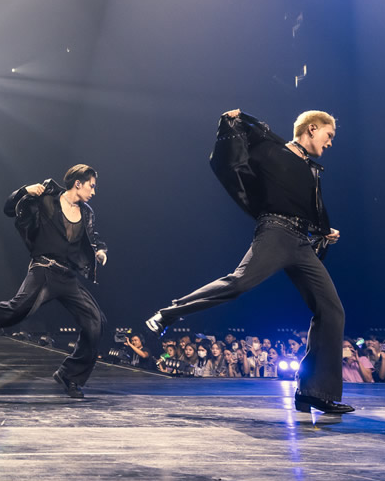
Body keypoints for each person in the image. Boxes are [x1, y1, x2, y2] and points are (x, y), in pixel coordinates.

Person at [145, 109, 350, 415]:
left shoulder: (311, 169)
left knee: (332, 311)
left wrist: (323, 231)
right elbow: (232, 159)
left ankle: (314, 392)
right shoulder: (272, 151)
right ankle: (168, 314)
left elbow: (304, 208)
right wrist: (234, 123)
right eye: (329, 135)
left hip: (301, 242)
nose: (330, 142)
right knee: (239, 283)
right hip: (275, 232)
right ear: (311, 128)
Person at [0, 165, 109, 400]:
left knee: (96, 322)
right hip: (44, 269)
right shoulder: (47, 199)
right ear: (78, 183)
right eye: (92, 186)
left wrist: (100, 251)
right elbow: (9, 209)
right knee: (17, 310)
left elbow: (93, 237)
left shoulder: (87, 213)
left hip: (67, 277)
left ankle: (70, 375)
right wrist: (24, 191)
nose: (94, 192)